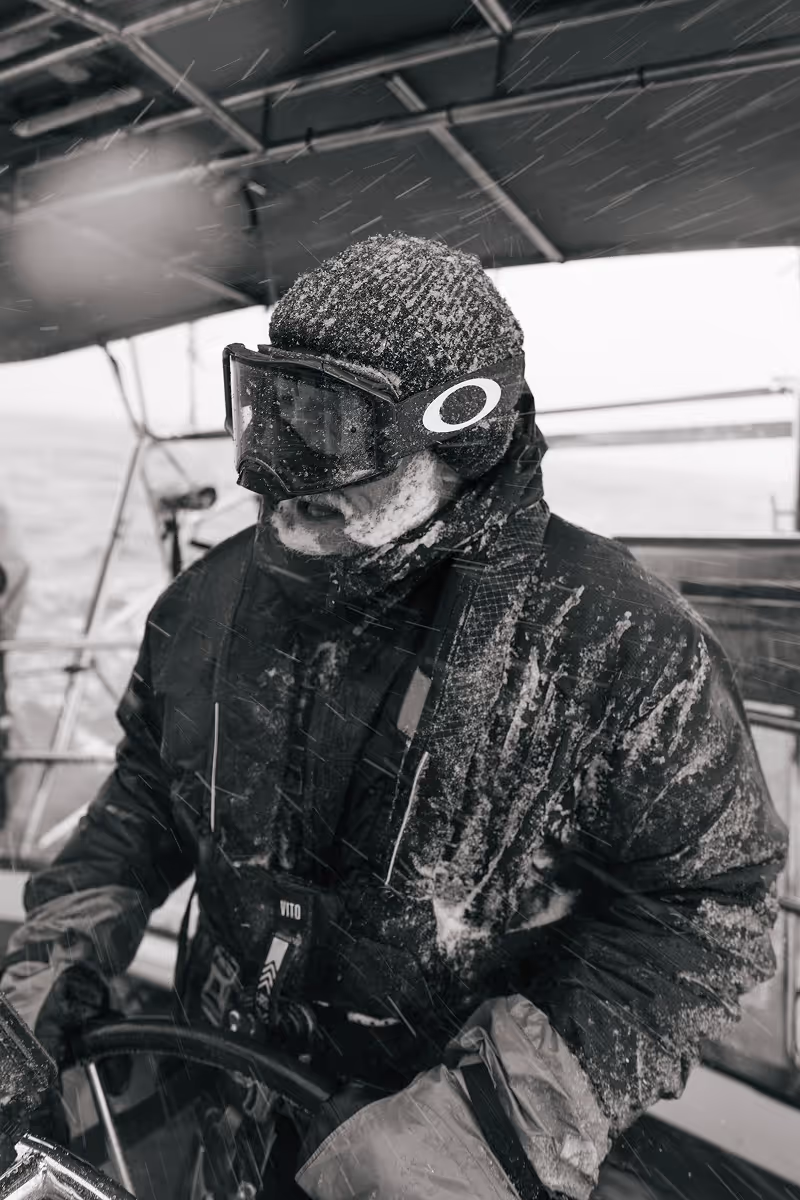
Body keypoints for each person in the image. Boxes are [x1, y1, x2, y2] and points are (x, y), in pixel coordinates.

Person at [0, 234, 787, 1200]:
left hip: (441, 1146)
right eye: (273, 405)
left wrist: (510, 1119)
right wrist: (48, 971)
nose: (278, 469)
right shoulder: (205, 604)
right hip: (226, 1085)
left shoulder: (618, 643)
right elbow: (148, 795)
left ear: (464, 432)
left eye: (329, 421)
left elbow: (710, 907)